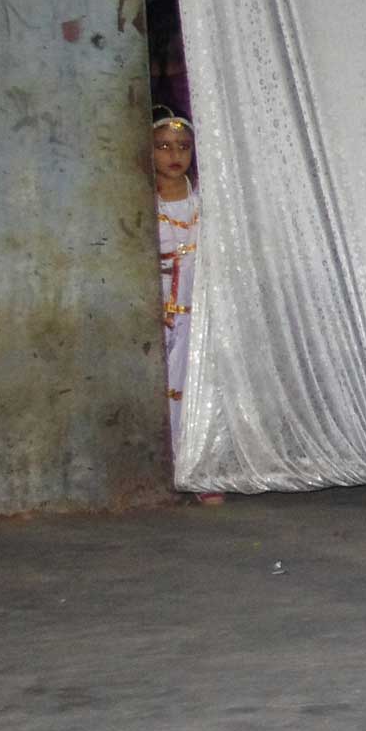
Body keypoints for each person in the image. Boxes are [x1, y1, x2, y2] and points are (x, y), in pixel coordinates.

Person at [150, 108, 221, 504]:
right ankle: (166, 468)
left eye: (183, 146)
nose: (174, 155)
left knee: (197, 386)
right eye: (163, 147)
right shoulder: (143, 204)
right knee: (163, 389)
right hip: (159, 308)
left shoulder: (204, 204)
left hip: (197, 310)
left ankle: (199, 468)